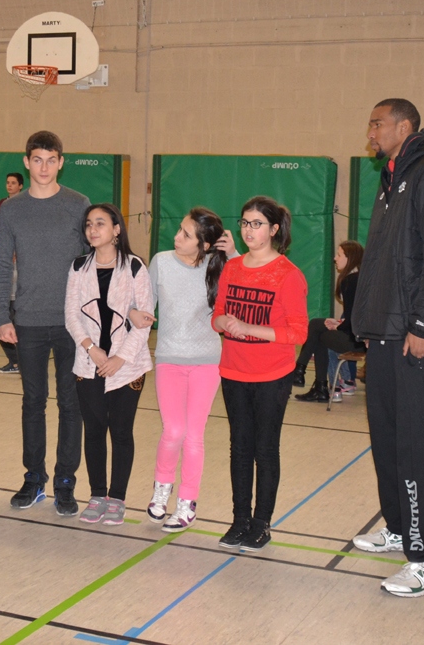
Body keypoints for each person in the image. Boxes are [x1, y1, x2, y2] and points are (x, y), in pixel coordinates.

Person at [350, 98, 424, 598]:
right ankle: (400, 528)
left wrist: (423, 325)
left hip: (411, 335)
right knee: (388, 439)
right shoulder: (392, 178)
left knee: (415, 444)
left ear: (405, 126)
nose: (370, 132)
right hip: (383, 331)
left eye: (377, 124)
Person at [0, 133, 91, 514]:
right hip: (29, 321)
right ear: (27, 161)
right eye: (37, 160)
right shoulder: (12, 208)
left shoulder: (77, 205)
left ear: (61, 162)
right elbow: (3, 265)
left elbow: (92, 265)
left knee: (71, 404)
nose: (44, 167)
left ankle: (66, 481)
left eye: (51, 160)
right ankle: (34, 478)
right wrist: (3, 317)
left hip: (72, 325)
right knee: (33, 402)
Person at [212, 196, 308, 552]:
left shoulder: (288, 275)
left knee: (264, 449)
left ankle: (261, 523)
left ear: (274, 229)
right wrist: (224, 323)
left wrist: (250, 328)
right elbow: (218, 313)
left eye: (256, 224)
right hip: (233, 370)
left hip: (271, 375)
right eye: (244, 222)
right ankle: (239, 520)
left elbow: (298, 332)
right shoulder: (232, 268)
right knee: (240, 447)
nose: (248, 230)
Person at [134, 208, 235, 532]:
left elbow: (246, 278)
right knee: (173, 430)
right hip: (169, 358)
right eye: (179, 229)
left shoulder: (219, 267)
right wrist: (135, 313)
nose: (178, 237)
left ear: (204, 244)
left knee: (194, 436)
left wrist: (232, 252)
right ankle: (162, 488)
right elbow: (143, 302)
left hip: (206, 362)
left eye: (186, 234)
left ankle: (187, 502)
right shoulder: (161, 261)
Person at [65, 204, 152, 527]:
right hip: (89, 364)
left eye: (100, 223)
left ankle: (117, 498)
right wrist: (93, 350)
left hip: (127, 366)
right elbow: (71, 315)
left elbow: (144, 318)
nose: (92, 229)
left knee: (121, 431)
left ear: (117, 230)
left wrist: (119, 358)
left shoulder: (134, 268)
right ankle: (98, 494)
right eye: (88, 224)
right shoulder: (77, 267)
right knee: (95, 430)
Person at [293, 239, 366, 404]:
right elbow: (355, 314)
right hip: (362, 337)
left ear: (349, 258)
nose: (335, 258)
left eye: (339, 255)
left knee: (317, 330)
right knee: (319, 326)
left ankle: (310, 378)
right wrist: (339, 323)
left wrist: (339, 325)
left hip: (358, 340)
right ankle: (316, 383)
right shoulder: (360, 278)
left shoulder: (351, 280)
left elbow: (355, 318)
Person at [0, 171, 24, 375]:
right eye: (7, 182)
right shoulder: (3, 205)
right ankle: (17, 362)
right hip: (6, 262)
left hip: (21, 270)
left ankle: (21, 362)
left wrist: (17, 249)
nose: (9, 186)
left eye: (13, 183)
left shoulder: (25, 204)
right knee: (1, 323)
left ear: (21, 186)